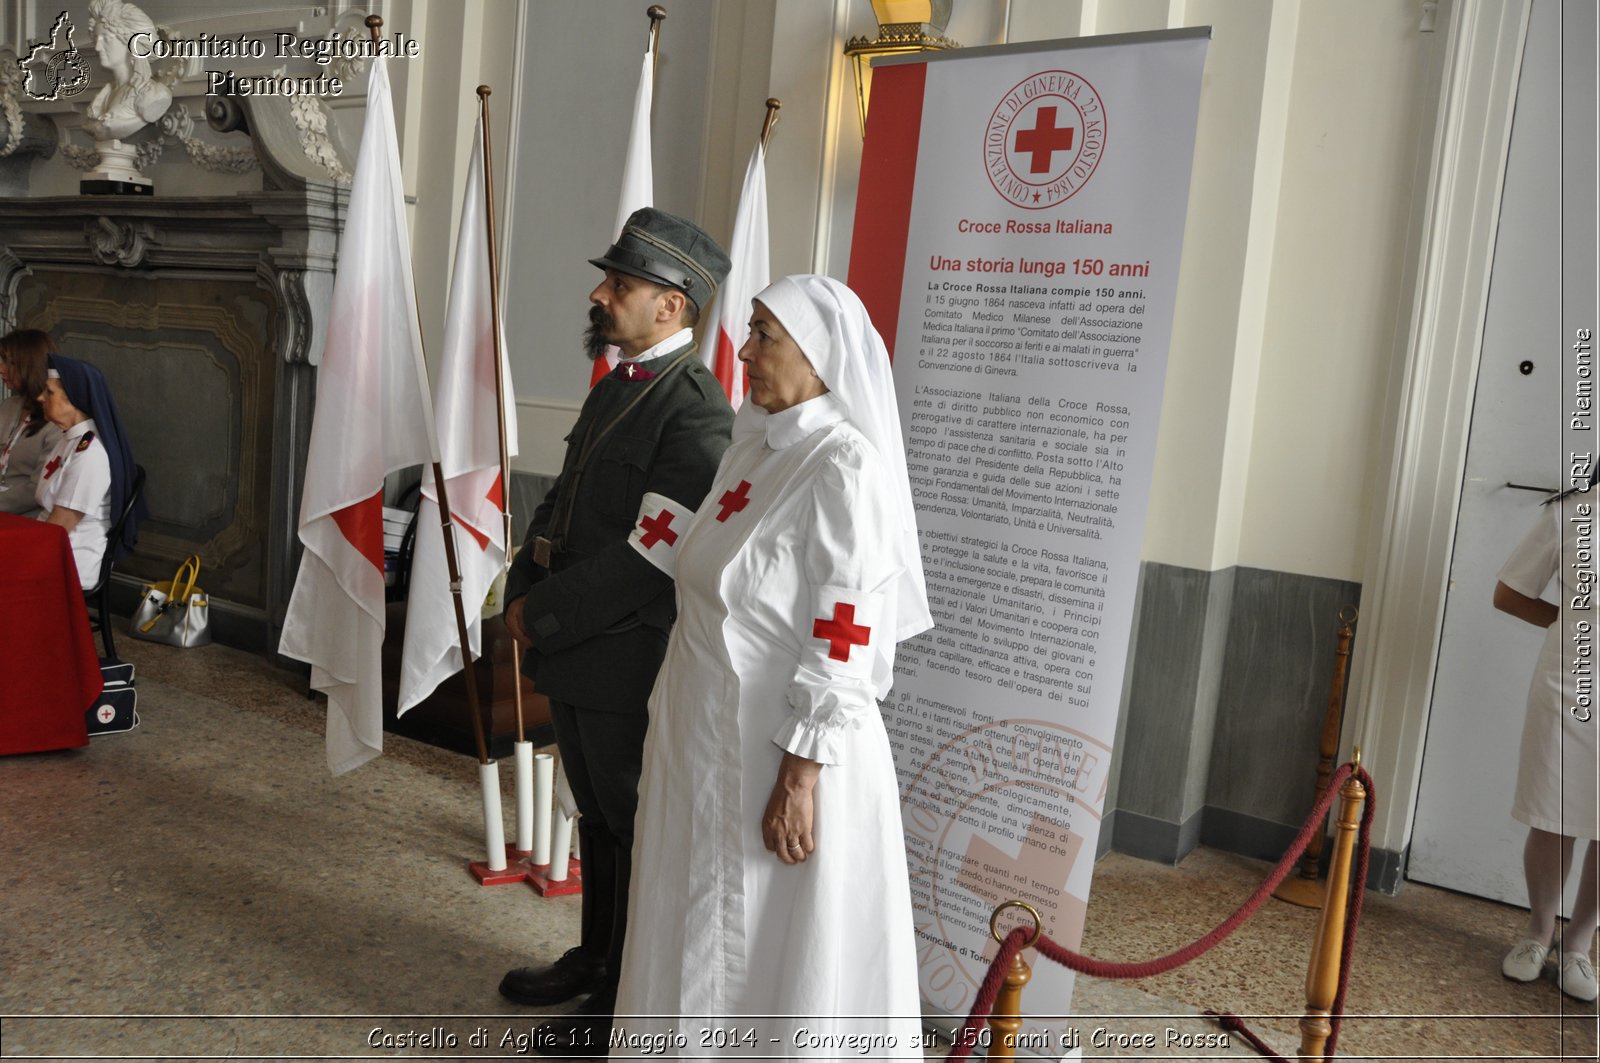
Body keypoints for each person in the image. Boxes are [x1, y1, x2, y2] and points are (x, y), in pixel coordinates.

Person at [613, 275, 932, 1054]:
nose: (745, 350)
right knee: (694, 921)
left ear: (820, 355)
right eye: (750, 329)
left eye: (765, 335)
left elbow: (847, 628)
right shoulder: (753, 446)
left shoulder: (842, 467)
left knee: (771, 943)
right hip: (704, 742)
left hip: (784, 755)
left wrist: (800, 776)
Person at [497, 208, 734, 1049]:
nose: (601, 294)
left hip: (623, 649)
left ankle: (627, 993)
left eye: (620, 284)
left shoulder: (695, 411)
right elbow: (564, 501)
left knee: (632, 819)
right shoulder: (620, 382)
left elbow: (652, 554)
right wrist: (522, 587)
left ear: (670, 305)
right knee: (594, 813)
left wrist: (548, 611)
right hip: (572, 642)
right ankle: (596, 958)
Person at [1494, 479, 1599, 1002]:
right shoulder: (1570, 515)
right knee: (1551, 811)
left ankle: (1579, 943)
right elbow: (1509, 593)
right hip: (1567, 682)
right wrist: (1571, 624)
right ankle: (1539, 933)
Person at [35, 354, 144, 589]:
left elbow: (60, 526)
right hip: (53, 546)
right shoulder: (70, 439)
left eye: (49, 392)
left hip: (71, 558)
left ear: (75, 398)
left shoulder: (91, 454)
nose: (40, 397)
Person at [82, 0, 172, 143]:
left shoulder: (151, 95)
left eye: (106, 39)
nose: (98, 47)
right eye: (97, 39)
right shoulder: (107, 94)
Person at [0, 330, 63, 515]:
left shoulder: (58, 421)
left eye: (9, 362)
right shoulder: (8, 406)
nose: (1, 369)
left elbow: (36, 490)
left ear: (31, 365)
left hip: (26, 517)